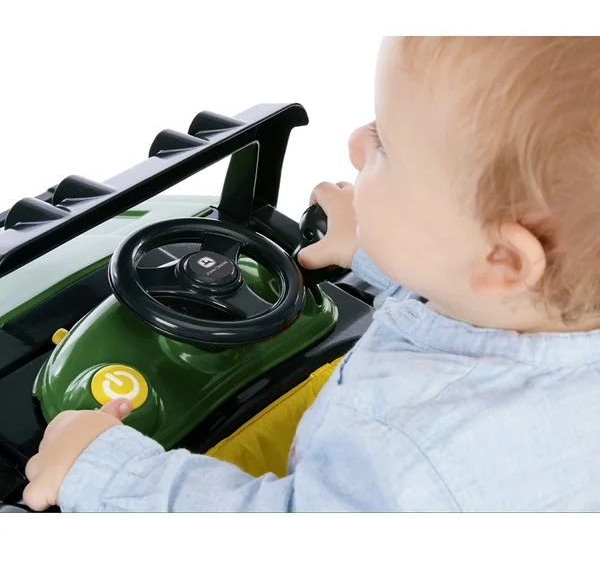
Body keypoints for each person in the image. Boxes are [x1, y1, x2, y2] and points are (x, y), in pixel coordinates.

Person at [23, 36, 600, 511]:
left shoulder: (408, 462)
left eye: (385, 145)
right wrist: (371, 247)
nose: (354, 144)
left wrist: (103, 471)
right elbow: (481, 298)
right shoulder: (552, 315)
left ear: (503, 260)